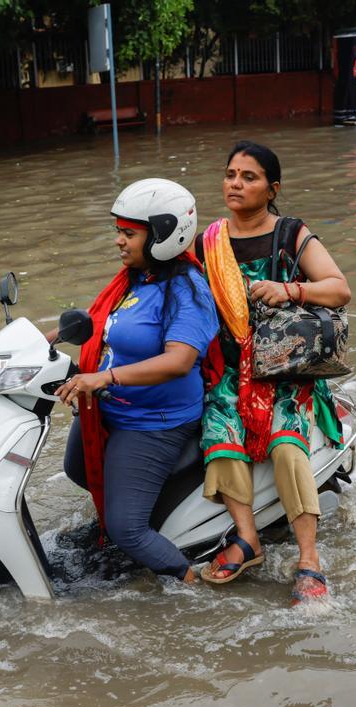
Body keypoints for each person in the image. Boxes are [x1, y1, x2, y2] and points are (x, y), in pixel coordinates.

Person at [196, 141, 351, 604]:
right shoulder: (210, 242)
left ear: (272, 188)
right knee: (218, 433)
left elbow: (340, 289)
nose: (236, 184)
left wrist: (291, 289)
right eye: (230, 175)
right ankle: (248, 540)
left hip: (284, 366)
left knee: (287, 446)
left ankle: (309, 557)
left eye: (249, 177)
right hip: (229, 369)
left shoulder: (291, 233)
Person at [55, 178, 219, 583]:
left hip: (154, 420)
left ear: (162, 235)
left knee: (127, 529)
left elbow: (179, 361)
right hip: (112, 403)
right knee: (76, 468)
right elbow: (101, 324)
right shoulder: (134, 279)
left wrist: (103, 377)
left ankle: (192, 583)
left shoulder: (188, 291)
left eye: (129, 233)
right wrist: (43, 340)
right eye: (119, 232)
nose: (119, 242)